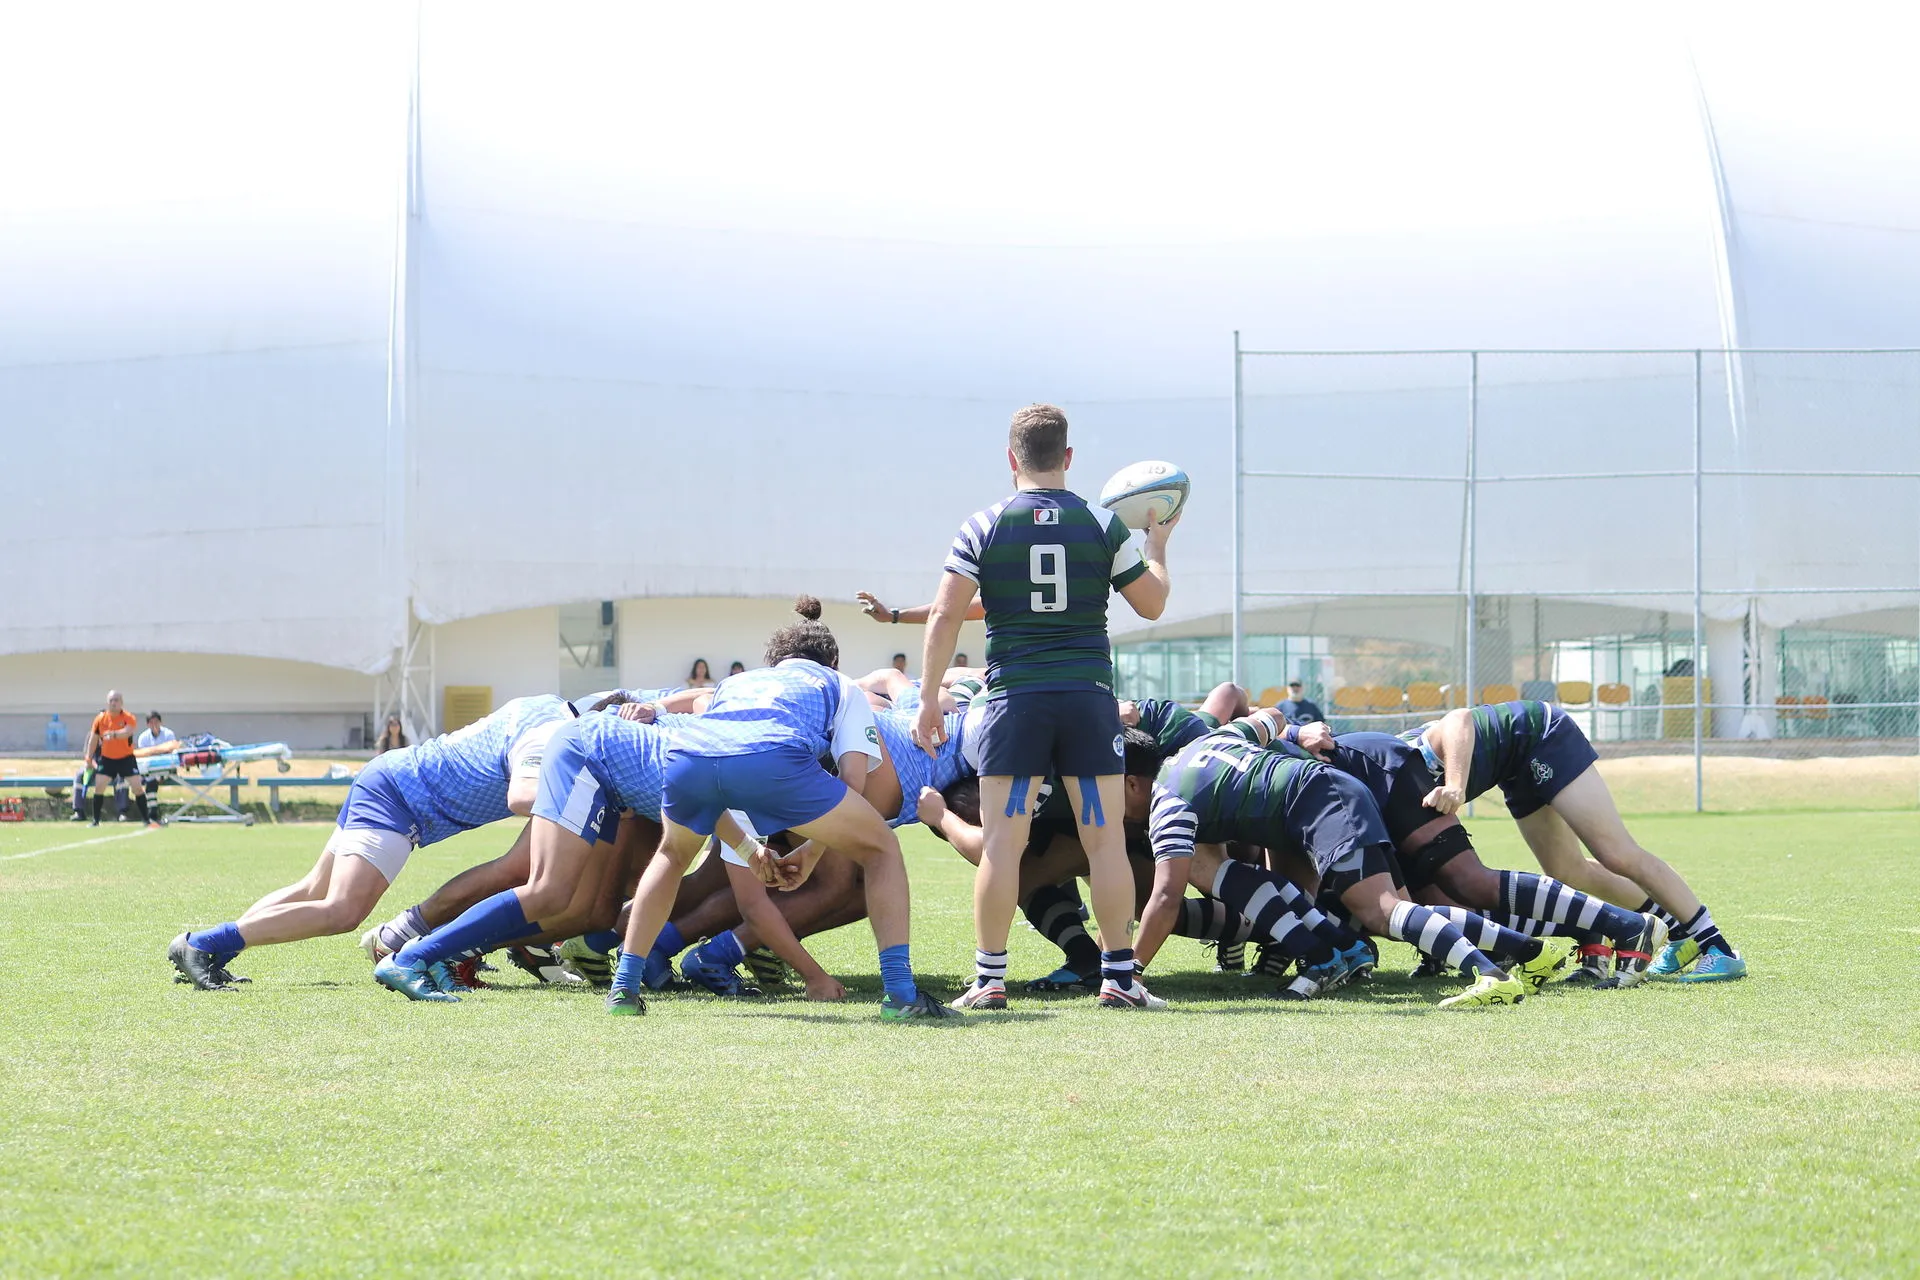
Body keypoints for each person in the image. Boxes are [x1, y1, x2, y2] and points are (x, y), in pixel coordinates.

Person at [912, 401, 1176, 1012]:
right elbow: (1152, 603)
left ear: (1012, 459)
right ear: (1069, 457)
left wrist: (928, 697)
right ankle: (1119, 979)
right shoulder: (1102, 525)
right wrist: (1158, 545)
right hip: (1087, 700)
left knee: (1002, 845)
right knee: (1104, 843)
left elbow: (946, 614)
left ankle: (989, 980)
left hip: (1015, 701)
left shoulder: (982, 525)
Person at [608, 596, 954, 1020]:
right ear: (832, 662)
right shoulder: (839, 684)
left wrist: (751, 851)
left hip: (687, 758)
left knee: (672, 855)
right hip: (774, 757)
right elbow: (853, 782)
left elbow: (719, 770)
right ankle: (901, 995)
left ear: (773, 662)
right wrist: (811, 852)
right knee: (881, 848)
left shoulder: (736, 683)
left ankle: (623, 989)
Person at [167, 695, 580, 991]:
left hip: (393, 779)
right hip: (402, 798)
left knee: (312, 889)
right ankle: (203, 945)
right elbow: (521, 797)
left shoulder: (550, 707)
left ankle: (212, 952)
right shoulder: (552, 732)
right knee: (342, 910)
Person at [1138, 707, 1544, 1008]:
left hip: (1323, 803)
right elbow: (1272, 716)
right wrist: (1297, 731)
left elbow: (1166, 896)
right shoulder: (1204, 742)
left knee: (1383, 912)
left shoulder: (1168, 802)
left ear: (1131, 783)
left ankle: (1491, 975)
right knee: (1393, 911)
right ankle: (1530, 951)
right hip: (1329, 792)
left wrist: (1129, 970)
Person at [1369, 698, 1746, 983]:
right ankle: (1678, 932)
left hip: (1542, 735)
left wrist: (1454, 784)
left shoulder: (1391, 763)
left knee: (1616, 852)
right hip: (1514, 769)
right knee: (1567, 871)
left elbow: (1459, 718)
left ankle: (1718, 948)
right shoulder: (1377, 793)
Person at [1315, 730, 1668, 987]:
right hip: (1347, 798)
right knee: (1422, 906)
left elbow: (1459, 719)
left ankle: (1628, 925)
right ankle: (1580, 928)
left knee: (1470, 881)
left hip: (1378, 774)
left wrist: (1295, 732)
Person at [86, 691, 151, 827]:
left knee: (137, 788)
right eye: (111, 700)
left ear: (121, 703)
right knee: (99, 787)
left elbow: (128, 731)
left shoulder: (128, 717)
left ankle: (146, 820)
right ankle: (95, 821)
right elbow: (94, 738)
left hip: (126, 758)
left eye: (116, 700)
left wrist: (114, 734)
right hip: (107, 759)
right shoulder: (100, 719)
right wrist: (89, 757)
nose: (113, 703)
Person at [136, 711, 176, 821]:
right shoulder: (143, 737)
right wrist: (160, 750)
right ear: (147, 724)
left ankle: (152, 812)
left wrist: (153, 751)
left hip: (167, 767)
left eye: (156, 722)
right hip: (149, 769)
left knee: (152, 780)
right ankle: (152, 812)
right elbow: (143, 754)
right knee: (150, 781)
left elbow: (171, 751)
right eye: (151, 722)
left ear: (161, 722)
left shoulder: (168, 734)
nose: (154, 725)